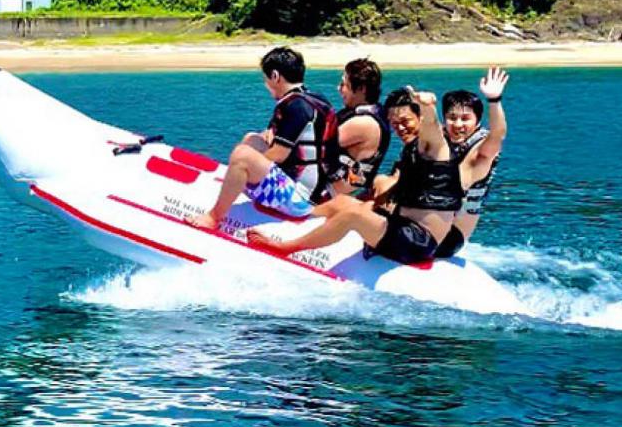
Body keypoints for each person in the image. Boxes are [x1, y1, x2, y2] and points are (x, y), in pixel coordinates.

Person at [248, 86, 461, 265]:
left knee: (354, 216)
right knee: (342, 203)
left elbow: (432, 128)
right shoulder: (412, 149)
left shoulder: (435, 147)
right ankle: (289, 221)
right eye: (395, 124)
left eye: (406, 121)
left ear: (420, 118)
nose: (400, 128)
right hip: (402, 227)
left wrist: (428, 106)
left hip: (418, 241)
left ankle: (285, 248)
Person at [190, 47, 338, 228]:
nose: (266, 85)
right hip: (313, 190)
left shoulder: (295, 106)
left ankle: (214, 218)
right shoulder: (314, 98)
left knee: (242, 155)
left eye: (266, 79)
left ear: (275, 76)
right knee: (251, 139)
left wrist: (247, 164)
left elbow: (279, 154)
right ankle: (235, 184)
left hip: (300, 200)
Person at [434, 67, 509, 258]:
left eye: (465, 119)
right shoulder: (442, 138)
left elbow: (498, 134)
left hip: (452, 237)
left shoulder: (483, 146)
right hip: (432, 222)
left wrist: (494, 100)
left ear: (477, 121)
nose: (458, 125)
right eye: (452, 118)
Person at [318, 58, 391, 202]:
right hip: (332, 192)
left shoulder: (364, 123)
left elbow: (313, 145)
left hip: (334, 197)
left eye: (343, 84)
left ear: (361, 89)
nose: (339, 89)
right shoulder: (361, 114)